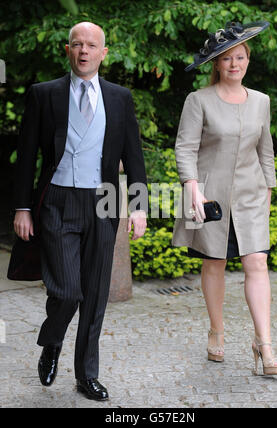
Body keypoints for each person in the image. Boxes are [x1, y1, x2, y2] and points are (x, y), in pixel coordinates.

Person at [12, 21, 147, 401]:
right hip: (56, 199)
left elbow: (133, 157)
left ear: (104, 53)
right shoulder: (44, 94)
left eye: (92, 45)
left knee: (95, 294)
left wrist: (138, 207)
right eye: (77, 44)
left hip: (103, 199)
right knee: (68, 291)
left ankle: (87, 374)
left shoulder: (120, 98)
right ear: (68, 50)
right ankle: (52, 340)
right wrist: (22, 207)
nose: (84, 51)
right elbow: (26, 157)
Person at [172, 21, 277, 376]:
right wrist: (191, 186)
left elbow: (267, 152)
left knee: (257, 263)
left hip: (251, 196)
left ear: (248, 60)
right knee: (214, 262)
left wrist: (268, 190)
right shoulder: (197, 100)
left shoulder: (262, 102)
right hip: (208, 196)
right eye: (226, 59)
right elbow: (185, 148)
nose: (234, 64)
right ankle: (216, 330)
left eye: (240, 57)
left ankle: (263, 343)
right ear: (216, 64)